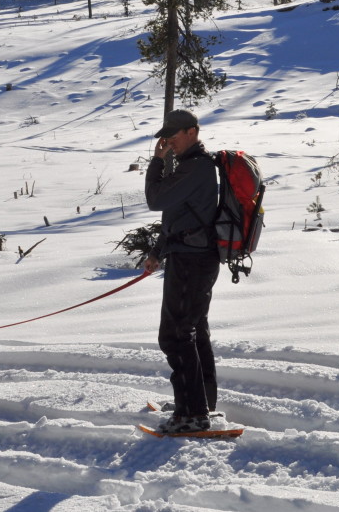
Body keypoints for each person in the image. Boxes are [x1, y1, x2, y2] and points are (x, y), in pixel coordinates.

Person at [143, 109, 220, 434]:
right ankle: (199, 402)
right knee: (193, 331)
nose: (168, 141)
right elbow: (175, 214)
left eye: (173, 135)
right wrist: (157, 252)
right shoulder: (191, 167)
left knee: (176, 335)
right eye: (166, 136)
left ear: (192, 131)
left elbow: (155, 200)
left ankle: (193, 414)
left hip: (192, 259)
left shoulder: (197, 168)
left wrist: (156, 163)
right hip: (190, 255)